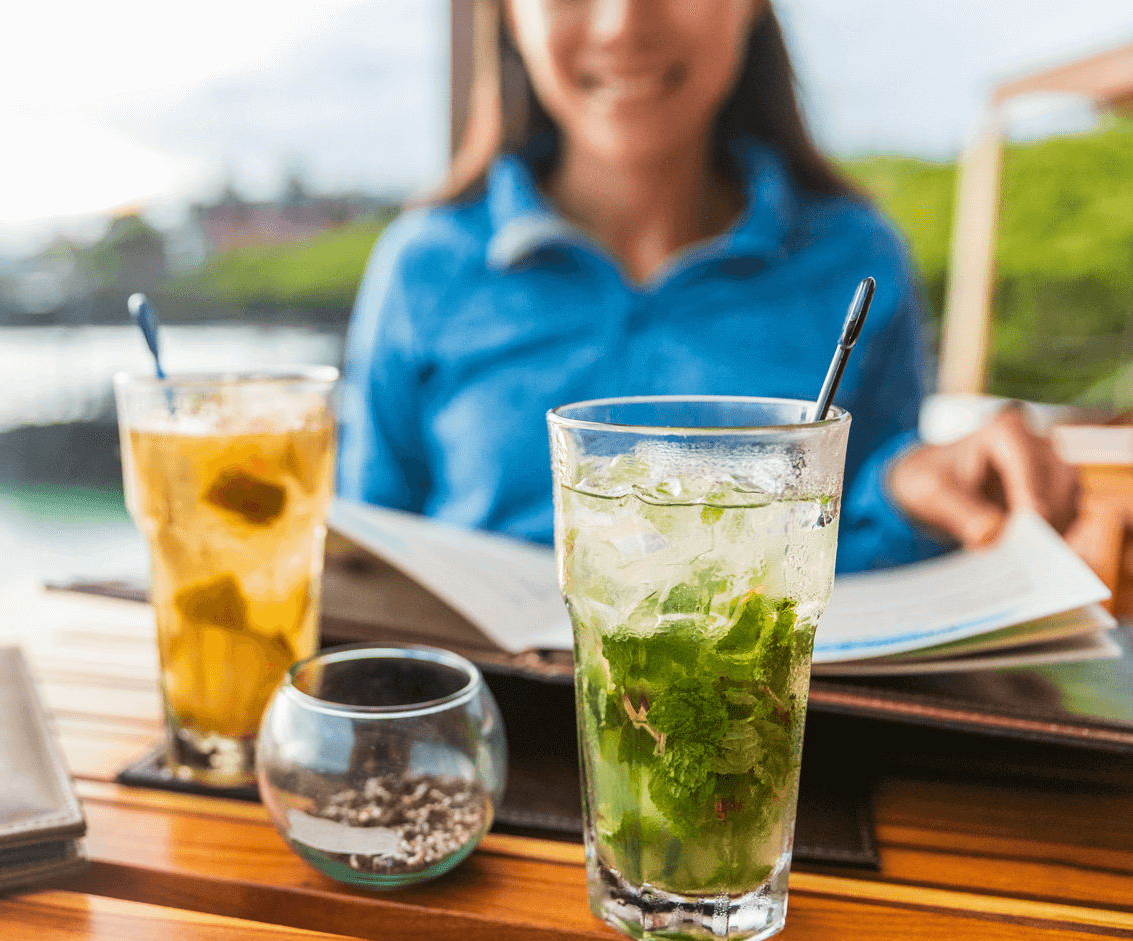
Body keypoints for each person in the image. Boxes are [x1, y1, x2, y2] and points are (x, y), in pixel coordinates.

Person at [337, 0, 1079, 572]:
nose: (622, 24)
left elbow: (865, 536)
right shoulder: (424, 266)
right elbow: (370, 555)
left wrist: (918, 490)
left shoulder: (855, 258)